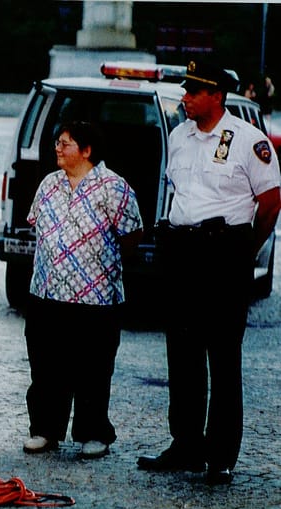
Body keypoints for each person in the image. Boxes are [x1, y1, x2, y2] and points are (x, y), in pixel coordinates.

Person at [137, 60, 281, 485]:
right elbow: (177, 190)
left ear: (217, 95)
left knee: (222, 356)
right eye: (186, 90)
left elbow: (271, 200)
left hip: (224, 252)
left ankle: (220, 456)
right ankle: (185, 445)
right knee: (181, 354)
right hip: (182, 250)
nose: (185, 97)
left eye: (195, 91)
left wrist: (244, 251)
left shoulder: (248, 141)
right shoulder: (180, 136)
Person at [22, 121, 142, 459]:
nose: (57, 149)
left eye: (65, 144)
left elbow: (132, 234)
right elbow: (36, 225)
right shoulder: (49, 184)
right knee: (45, 366)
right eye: (57, 143)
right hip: (46, 292)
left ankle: (94, 433)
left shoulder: (114, 187)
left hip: (96, 298)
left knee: (93, 367)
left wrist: (102, 263)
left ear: (86, 151)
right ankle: (45, 430)